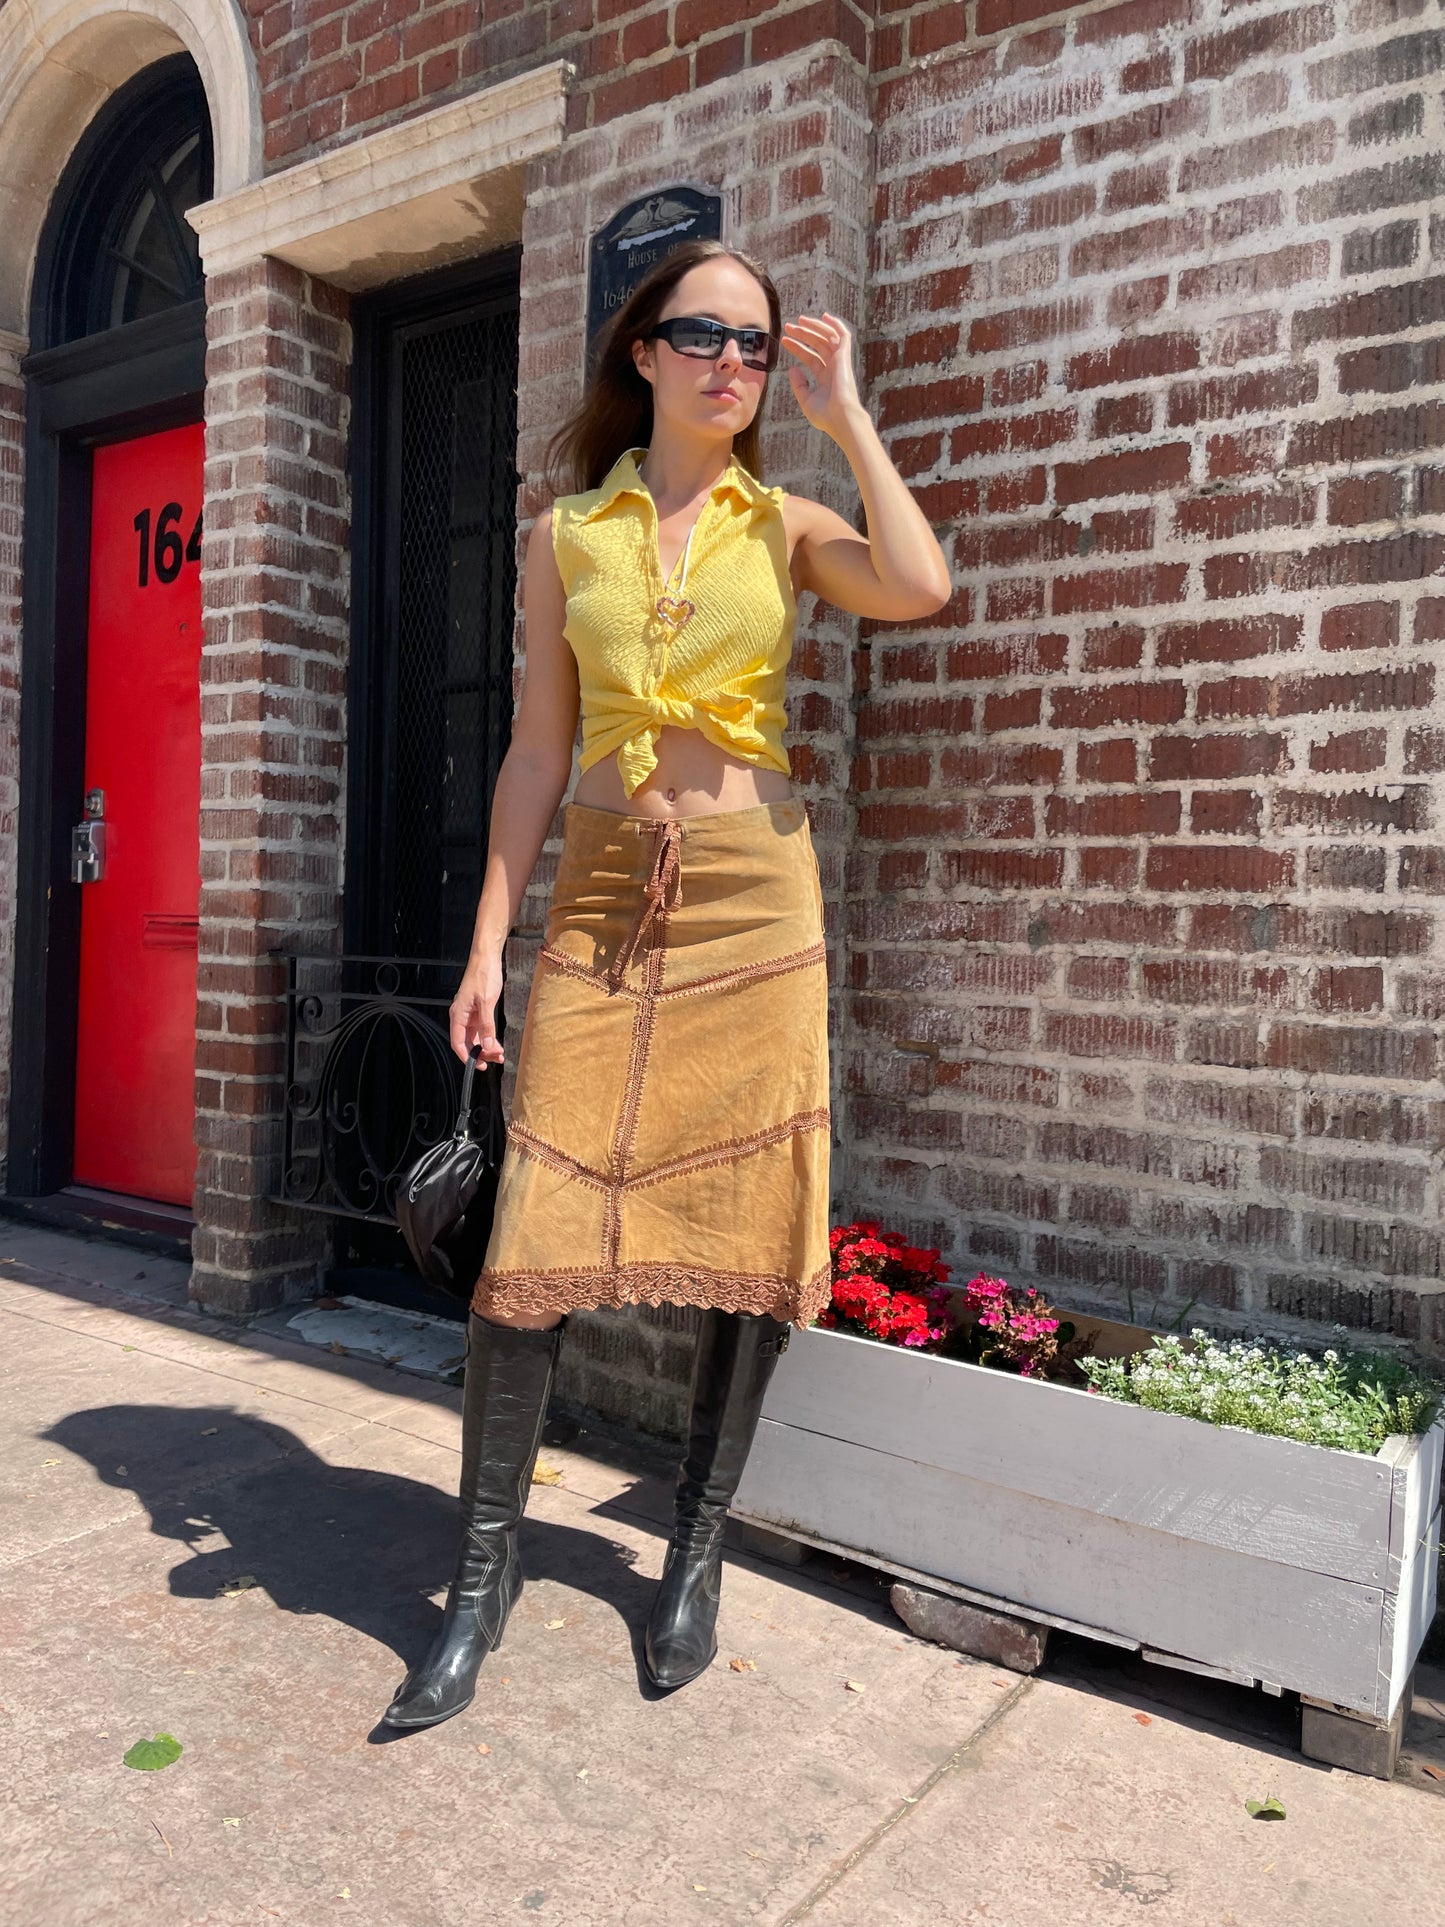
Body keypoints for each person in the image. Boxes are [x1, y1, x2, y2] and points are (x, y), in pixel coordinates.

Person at [381, 238, 952, 1729]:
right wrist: (491, 941)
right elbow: (533, 751)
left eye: (753, 345)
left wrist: (847, 420)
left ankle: (692, 1556)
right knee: (533, 1236)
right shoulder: (570, 531)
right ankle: (484, 1572)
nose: (728, 362)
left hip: (754, 899)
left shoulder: (787, 518)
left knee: (750, 1228)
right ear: (641, 351)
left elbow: (916, 583)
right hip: (601, 900)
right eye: (700, 333)